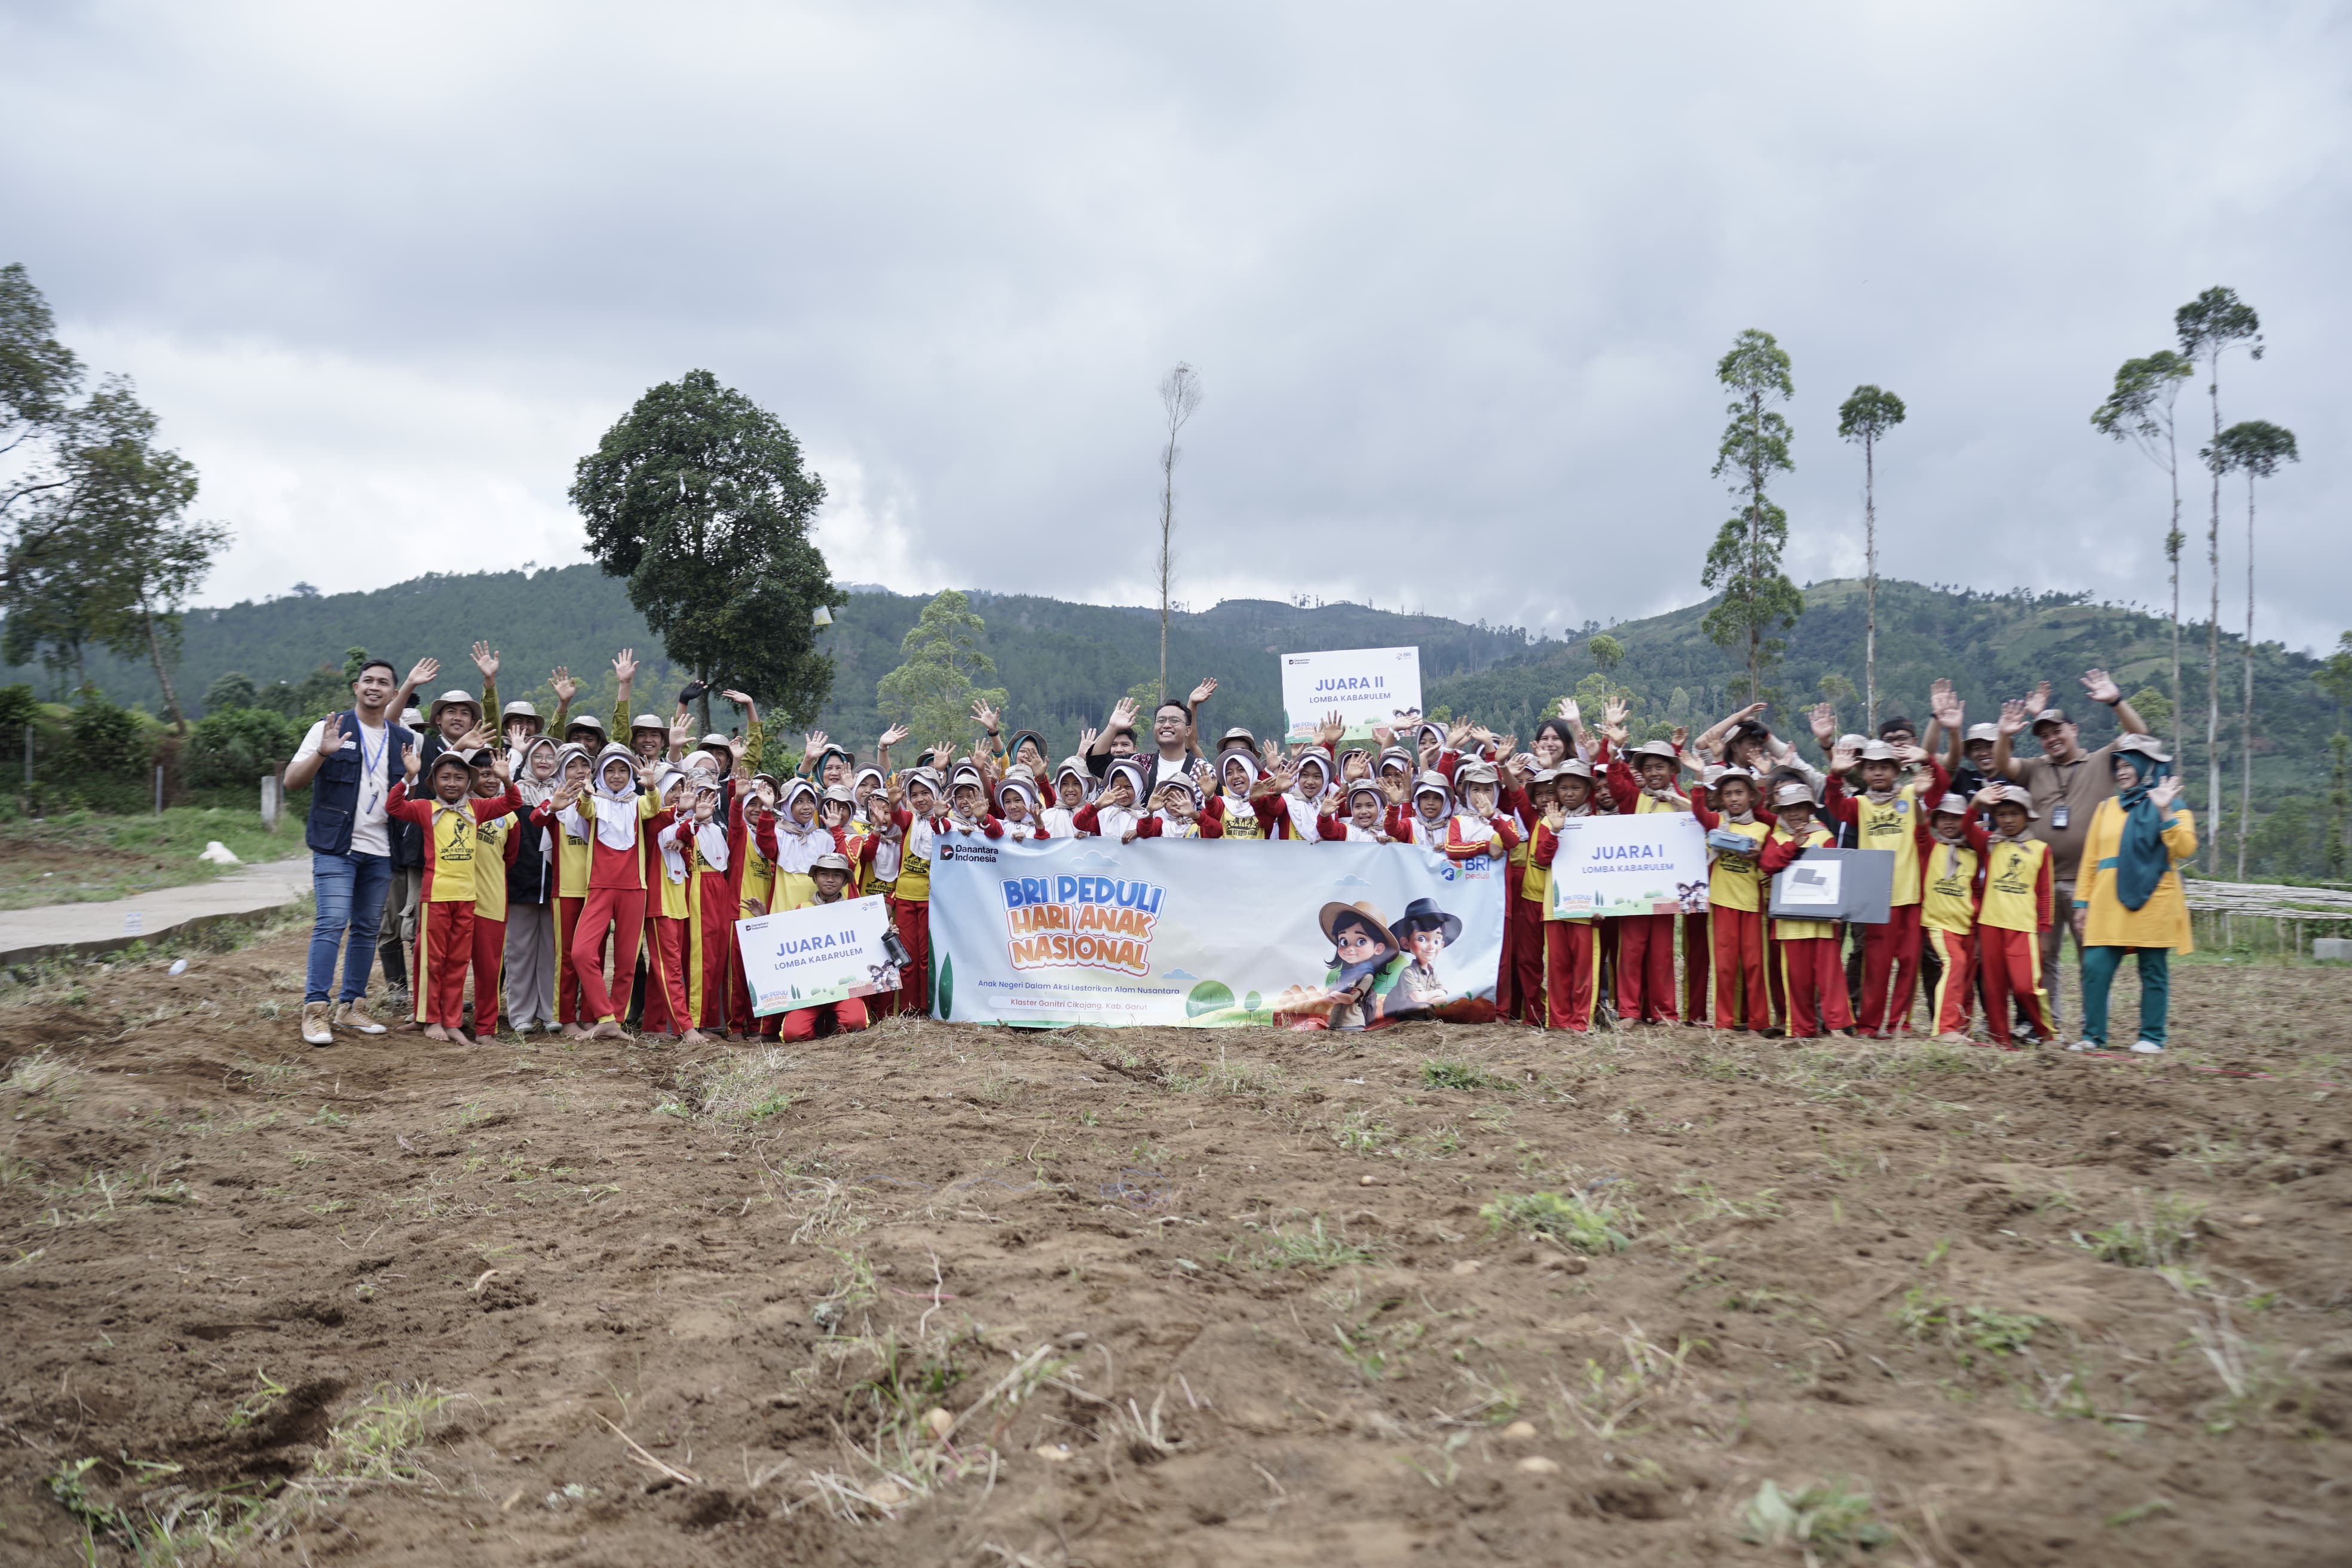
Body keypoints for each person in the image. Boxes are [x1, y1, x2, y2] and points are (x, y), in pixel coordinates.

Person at [1989, 670, 2152, 1035]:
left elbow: (2140, 736)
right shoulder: (2035, 768)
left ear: (2074, 730)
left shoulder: (2102, 760)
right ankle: (2048, 1025)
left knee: (2091, 956)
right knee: (2044, 954)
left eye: (2057, 731)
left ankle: (2093, 1029)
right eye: (2044, 735)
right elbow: (2004, 765)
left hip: (2088, 881)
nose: (2051, 739)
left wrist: (2115, 701)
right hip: (2041, 881)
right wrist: (2005, 734)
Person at [283, 654, 434, 1045]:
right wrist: (322, 753)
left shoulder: (402, 741)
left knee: (367, 929)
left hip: (381, 849)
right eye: (368, 680)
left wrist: (412, 778)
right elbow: (291, 782)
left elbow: (403, 797)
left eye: (383, 683)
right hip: (336, 846)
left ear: (393, 693)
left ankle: (351, 1006)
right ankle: (316, 1009)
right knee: (332, 922)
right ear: (356, 687)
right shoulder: (329, 728)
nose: (374, 687)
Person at [384, 742, 521, 1043]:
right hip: (436, 897)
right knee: (433, 960)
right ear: (434, 781)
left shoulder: (477, 809)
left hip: (467, 899)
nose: (452, 783)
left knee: (458, 963)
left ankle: (452, 1021)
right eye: (445, 777)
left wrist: (506, 779)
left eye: (459, 778)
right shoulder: (426, 808)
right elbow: (393, 807)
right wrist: (408, 777)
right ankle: (431, 1019)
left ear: (469, 782)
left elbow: (513, 802)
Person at [2071, 735, 2196, 1055]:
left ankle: (2152, 1037)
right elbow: (2091, 859)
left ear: (2146, 766)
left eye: (2129, 765)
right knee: (2095, 967)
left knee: (2153, 970)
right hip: (2106, 901)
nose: (2122, 772)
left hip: (2155, 899)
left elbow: (2184, 848)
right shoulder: (2106, 808)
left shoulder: (2175, 806)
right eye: (2119, 766)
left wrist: (2164, 811)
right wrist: (2082, 902)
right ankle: (2092, 1036)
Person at [1820, 736, 1947, 1036]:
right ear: (1863, 773)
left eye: (1885, 767)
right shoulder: (1860, 805)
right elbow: (1834, 806)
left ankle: (1899, 1023)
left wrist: (1927, 759)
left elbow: (1940, 787)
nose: (1878, 772)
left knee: (1909, 962)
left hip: (1909, 896)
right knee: (1876, 965)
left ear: (1896, 770)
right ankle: (1869, 1024)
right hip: (1876, 901)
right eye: (1871, 767)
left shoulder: (1910, 795)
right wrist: (1835, 775)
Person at [557, 743, 662, 1039]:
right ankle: (604, 1015)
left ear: (630, 774)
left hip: (634, 890)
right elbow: (584, 809)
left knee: (626, 963)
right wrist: (587, 793)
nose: (616, 776)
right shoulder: (594, 801)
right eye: (610, 770)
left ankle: (614, 1021)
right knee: (581, 952)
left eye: (622, 770)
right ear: (601, 774)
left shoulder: (637, 803)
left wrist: (651, 787)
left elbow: (653, 808)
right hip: (600, 888)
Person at [1757, 782, 1852, 1039]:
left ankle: (1837, 1027)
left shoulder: (1823, 835)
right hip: (1789, 924)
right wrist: (1793, 845)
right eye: (1788, 809)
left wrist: (1838, 909)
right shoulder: (1777, 838)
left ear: (1810, 809)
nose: (1794, 813)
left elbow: (1838, 873)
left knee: (1830, 976)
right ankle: (1801, 1028)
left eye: (1800, 807)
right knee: (1797, 979)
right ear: (1781, 812)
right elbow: (1767, 864)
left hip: (1822, 922)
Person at [1686, 764, 1772, 1031]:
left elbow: (1770, 864)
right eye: (1728, 794)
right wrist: (1698, 779)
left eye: (1739, 793)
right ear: (1721, 798)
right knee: (1724, 966)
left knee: (1755, 965)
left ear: (1751, 796)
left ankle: (1759, 1022)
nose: (1734, 799)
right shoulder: (1718, 823)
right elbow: (1698, 811)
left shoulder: (1763, 830)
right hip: (1722, 904)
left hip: (1752, 906)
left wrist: (1759, 856)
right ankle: (1724, 1022)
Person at [1972, 783, 2053, 1048]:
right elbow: (1966, 828)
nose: (2008, 820)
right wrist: (1976, 803)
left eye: (2014, 814)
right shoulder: (1990, 844)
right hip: (1990, 925)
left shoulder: (2041, 849)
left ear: (2027, 815)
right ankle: (2000, 1039)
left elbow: (2045, 894)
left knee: (2025, 986)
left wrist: (2044, 930)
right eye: (2002, 815)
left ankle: (2047, 1034)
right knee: (1994, 988)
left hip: (2023, 927)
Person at [503, 735, 562, 1033]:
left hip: (556, 886)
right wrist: (515, 752)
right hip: (520, 882)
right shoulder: (516, 791)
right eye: (538, 756)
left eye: (550, 757)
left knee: (552, 951)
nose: (544, 761)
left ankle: (551, 1012)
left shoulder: (564, 792)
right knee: (519, 952)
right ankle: (521, 1015)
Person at [1919, 792, 1986, 1042]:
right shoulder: (1930, 846)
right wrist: (1921, 795)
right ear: (1935, 821)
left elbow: (1977, 891)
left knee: (1966, 976)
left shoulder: (1973, 854)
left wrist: (1977, 929)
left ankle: (1962, 1029)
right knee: (1955, 963)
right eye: (1943, 817)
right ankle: (1945, 1028)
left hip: (1967, 925)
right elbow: (1919, 827)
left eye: (1956, 818)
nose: (1949, 822)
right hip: (1939, 923)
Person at [467, 750, 523, 1037]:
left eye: (495, 774)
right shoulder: (456, 808)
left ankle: (485, 1027)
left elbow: (509, 858)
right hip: (456, 899)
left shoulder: (509, 817)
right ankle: (444, 1020)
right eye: (484, 774)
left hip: (491, 902)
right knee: (448, 965)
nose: (491, 780)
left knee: (489, 970)